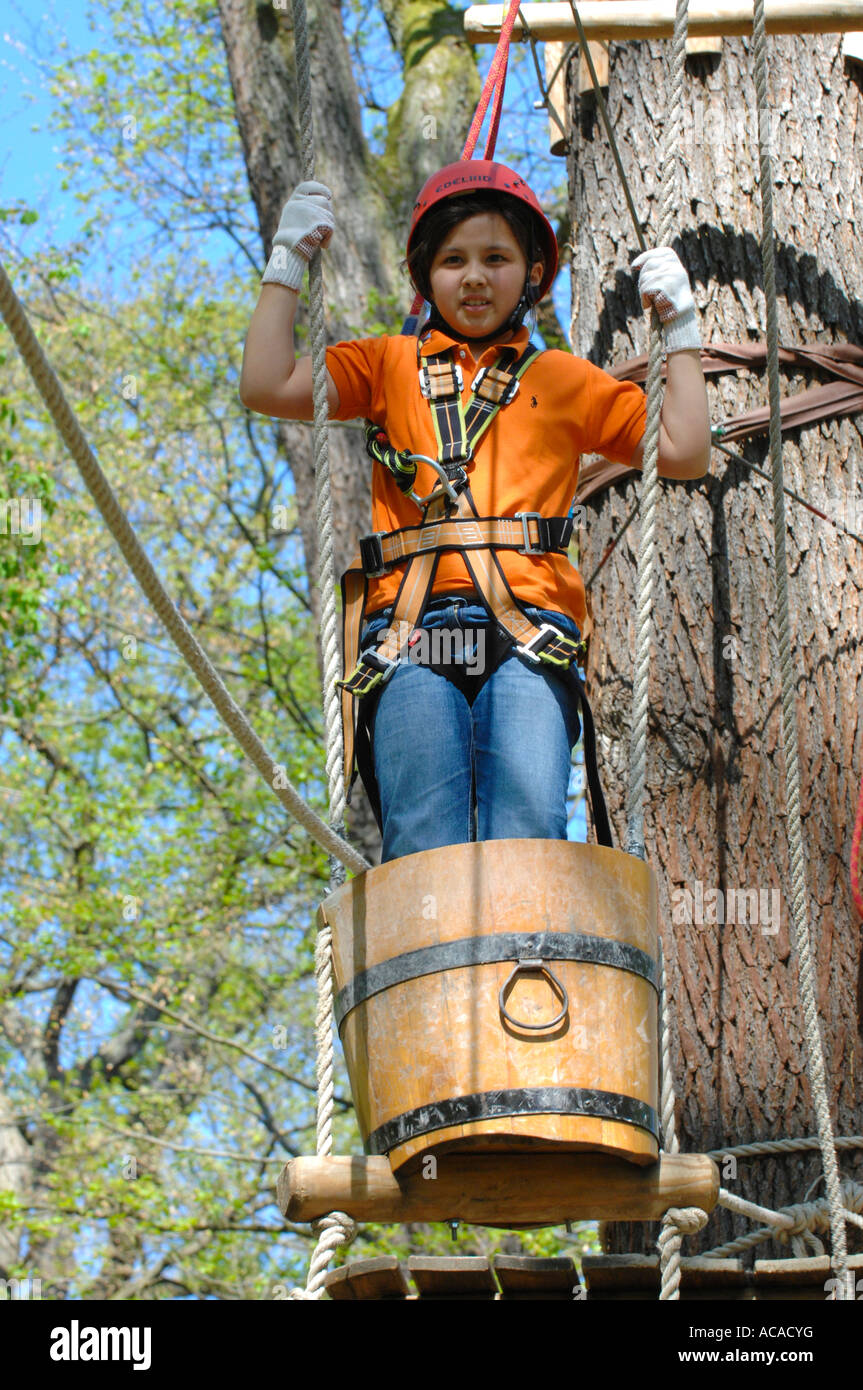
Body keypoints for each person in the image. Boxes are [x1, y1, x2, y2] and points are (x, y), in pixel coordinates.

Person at [240, 161, 710, 863]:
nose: (474, 277)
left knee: (526, 834)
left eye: (497, 258)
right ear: (426, 278)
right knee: (422, 835)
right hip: (410, 635)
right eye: (453, 260)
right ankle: (432, 972)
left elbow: (683, 451)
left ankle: (524, 968)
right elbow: (265, 383)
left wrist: (681, 331)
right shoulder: (387, 365)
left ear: (530, 275)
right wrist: (286, 265)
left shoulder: (562, 379)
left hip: (529, 633)